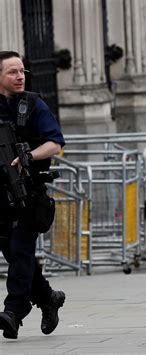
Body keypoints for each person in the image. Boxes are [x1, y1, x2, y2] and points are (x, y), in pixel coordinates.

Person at [0, 51, 65, 339]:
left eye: (22, 71)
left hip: (28, 192)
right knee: (14, 253)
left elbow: (55, 142)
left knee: (21, 249)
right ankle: (48, 298)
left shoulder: (33, 104)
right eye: (12, 72)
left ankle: (13, 311)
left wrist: (29, 155)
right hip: (0, 195)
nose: (20, 76)